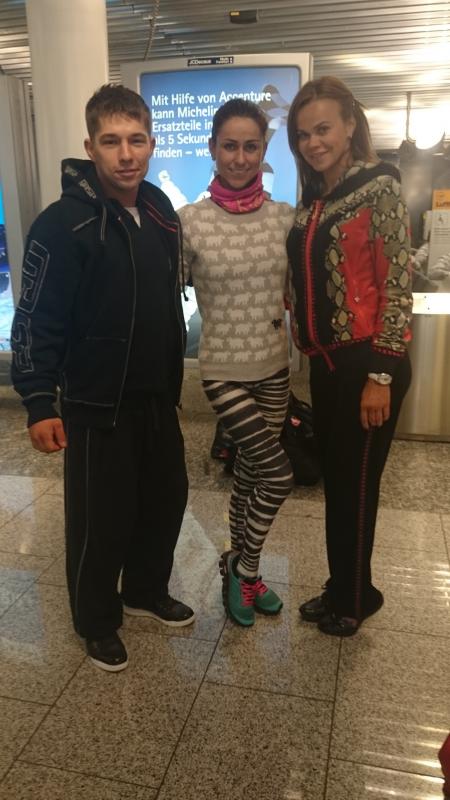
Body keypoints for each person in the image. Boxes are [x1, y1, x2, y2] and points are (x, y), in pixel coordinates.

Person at [10, 84, 194, 672]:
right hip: (95, 401)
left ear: (152, 143)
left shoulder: (159, 210)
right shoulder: (62, 224)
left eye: (136, 140)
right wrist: (40, 401)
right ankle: (95, 620)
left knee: (164, 500)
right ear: (90, 147)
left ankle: (143, 590)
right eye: (111, 141)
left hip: (156, 395)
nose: (126, 154)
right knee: (100, 520)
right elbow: (35, 318)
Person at [286, 76, 413, 636]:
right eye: (303, 134)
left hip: (369, 363)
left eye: (323, 129)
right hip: (328, 364)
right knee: (339, 484)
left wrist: (382, 374)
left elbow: (398, 286)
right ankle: (345, 586)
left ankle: (354, 600)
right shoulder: (315, 199)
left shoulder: (379, 187)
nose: (313, 143)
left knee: (357, 486)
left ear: (350, 126)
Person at [178, 99, 294, 627]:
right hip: (223, 370)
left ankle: (241, 571)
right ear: (213, 148)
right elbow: (161, 290)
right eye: (230, 146)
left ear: (264, 150)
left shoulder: (284, 218)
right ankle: (245, 570)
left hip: (274, 365)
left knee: (250, 476)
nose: (240, 157)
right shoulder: (190, 222)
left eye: (251, 146)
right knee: (278, 473)